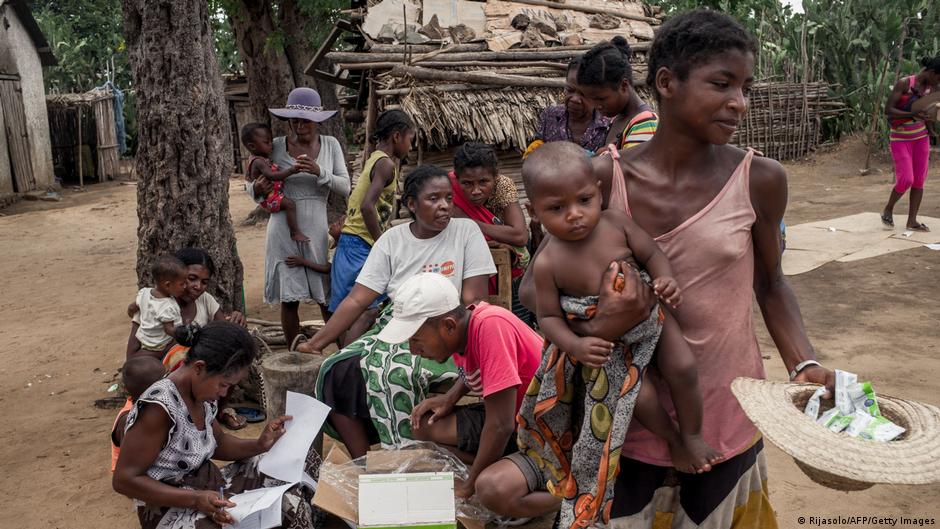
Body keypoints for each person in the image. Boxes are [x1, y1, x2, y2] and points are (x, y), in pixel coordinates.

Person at [530, 10, 833, 528]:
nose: (739, 102)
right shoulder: (600, 181)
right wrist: (601, 325)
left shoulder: (758, 179)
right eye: (722, 84)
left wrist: (803, 363)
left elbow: (771, 283)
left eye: (746, 87)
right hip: (622, 414)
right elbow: (549, 289)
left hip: (724, 409)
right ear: (666, 83)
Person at [297, 165, 496, 459]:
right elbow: (357, 299)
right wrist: (317, 343)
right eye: (433, 199)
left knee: (394, 371)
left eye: (448, 198)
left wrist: (455, 332)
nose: (443, 206)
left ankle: (406, 455)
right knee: (337, 371)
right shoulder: (393, 240)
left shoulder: (466, 232)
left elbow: (474, 300)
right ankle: (364, 461)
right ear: (412, 204)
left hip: (446, 328)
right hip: (396, 323)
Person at [113, 322, 323, 529]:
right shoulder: (158, 407)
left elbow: (218, 441)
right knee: (280, 508)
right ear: (199, 368)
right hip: (169, 503)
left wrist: (260, 444)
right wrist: (195, 499)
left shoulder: (202, 392)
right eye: (223, 384)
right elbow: (125, 480)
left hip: (210, 486)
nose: (224, 393)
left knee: (300, 462)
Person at [372, 273, 541, 500]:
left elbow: (500, 425)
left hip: (544, 431)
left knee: (491, 490)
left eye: (416, 340)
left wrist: (468, 486)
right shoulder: (465, 328)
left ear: (449, 326)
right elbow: (478, 367)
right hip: (516, 418)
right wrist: (450, 397)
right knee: (423, 425)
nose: (413, 350)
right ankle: (504, 463)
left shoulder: (491, 326)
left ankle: (570, 493)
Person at [250, 87, 350, 347]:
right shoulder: (277, 147)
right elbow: (255, 182)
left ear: (317, 120)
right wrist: (256, 191)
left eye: (305, 120)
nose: (299, 125)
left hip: (316, 227)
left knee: (324, 294)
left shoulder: (330, 145)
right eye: (294, 120)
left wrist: (319, 171)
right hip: (282, 228)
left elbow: (344, 186)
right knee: (289, 297)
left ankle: (340, 352)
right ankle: (296, 352)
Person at [126, 248, 249, 429]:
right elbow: (132, 356)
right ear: (177, 278)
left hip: (197, 380)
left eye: (204, 282)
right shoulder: (154, 305)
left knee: (231, 356)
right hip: (164, 379)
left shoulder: (205, 301)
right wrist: (174, 348)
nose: (197, 286)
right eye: (191, 279)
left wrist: (235, 323)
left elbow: (225, 334)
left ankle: (220, 410)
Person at [330, 109, 416, 345]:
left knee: (349, 309)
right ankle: (345, 360)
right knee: (369, 307)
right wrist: (382, 242)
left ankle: (342, 359)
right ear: (397, 136)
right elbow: (368, 206)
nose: (411, 145)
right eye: (410, 138)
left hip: (352, 242)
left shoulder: (375, 158)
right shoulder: (386, 164)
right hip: (360, 243)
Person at [449, 142, 533, 326]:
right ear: (457, 178)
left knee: (517, 312)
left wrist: (471, 224)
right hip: (473, 259)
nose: (476, 190)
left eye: (483, 182)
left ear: (495, 177)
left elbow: (520, 235)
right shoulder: (448, 188)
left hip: (514, 259)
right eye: (467, 184)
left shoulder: (503, 186)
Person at [881, 56, 940, 232]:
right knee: (906, 178)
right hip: (900, 138)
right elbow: (888, 110)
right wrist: (911, 116)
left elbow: (928, 109)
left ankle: (912, 221)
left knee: (919, 181)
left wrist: (930, 127)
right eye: (939, 77)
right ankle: (889, 207)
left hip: (921, 138)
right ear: (931, 72)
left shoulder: (934, 87)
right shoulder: (905, 84)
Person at [577, 36, 658, 151]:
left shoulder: (645, 123)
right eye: (592, 99)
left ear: (623, 85)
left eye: (601, 99)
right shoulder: (617, 119)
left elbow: (630, 168)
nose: (596, 106)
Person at [242, 122, 308, 242]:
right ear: (252, 146)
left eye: (271, 141)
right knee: (290, 205)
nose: (271, 145)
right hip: (270, 198)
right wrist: (292, 170)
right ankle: (295, 232)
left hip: (273, 195)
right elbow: (272, 176)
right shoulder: (258, 161)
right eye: (266, 142)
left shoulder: (262, 158)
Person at [530, 59, 611, 155]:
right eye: (570, 90)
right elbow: (536, 152)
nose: (575, 99)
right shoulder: (550, 116)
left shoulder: (608, 125)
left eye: (583, 94)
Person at [111, 355, 166, 472]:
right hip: (136, 476)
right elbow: (132, 464)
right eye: (165, 380)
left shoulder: (152, 407)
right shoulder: (129, 419)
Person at [133, 255, 188, 360]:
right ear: (167, 285)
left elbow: (132, 307)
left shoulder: (144, 292)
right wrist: (184, 333)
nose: (185, 287)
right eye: (182, 284)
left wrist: (132, 314)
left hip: (145, 340)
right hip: (160, 345)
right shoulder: (167, 306)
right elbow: (168, 330)